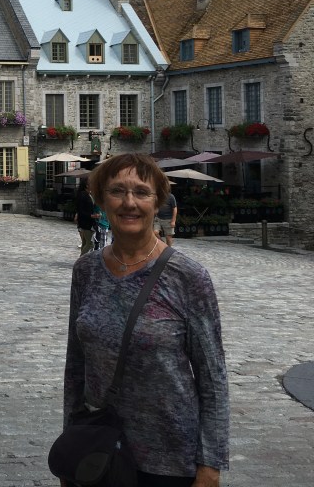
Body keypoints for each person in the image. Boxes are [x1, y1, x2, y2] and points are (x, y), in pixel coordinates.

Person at [63, 153, 229, 486]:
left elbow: (213, 379)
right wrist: (71, 444)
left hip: (169, 459)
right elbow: (76, 366)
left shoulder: (188, 276)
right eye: (117, 191)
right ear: (100, 200)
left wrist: (210, 465)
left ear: (158, 202)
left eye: (141, 192)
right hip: (101, 451)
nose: (129, 203)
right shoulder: (87, 271)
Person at [76, 180, 98, 256]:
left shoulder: (89, 194)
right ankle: (81, 259)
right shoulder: (83, 195)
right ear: (87, 185)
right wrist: (91, 215)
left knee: (85, 243)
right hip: (85, 222)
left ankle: (81, 259)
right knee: (90, 244)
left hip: (89, 221)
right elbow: (81, 210)